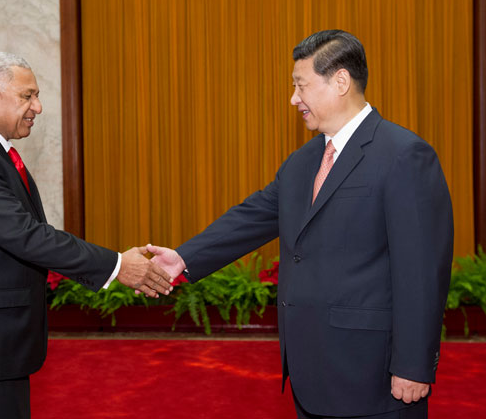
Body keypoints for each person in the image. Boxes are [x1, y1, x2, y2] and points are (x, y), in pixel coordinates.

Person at [147, 30, 453, 418]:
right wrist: (182, 258)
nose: (294, 99)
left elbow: (422, 271)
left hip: (374, 376)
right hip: (311, 373)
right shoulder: (303, 161)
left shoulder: (404, 155)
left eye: (300, 86)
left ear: (340, 81)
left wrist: (413, 365)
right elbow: (252, 217)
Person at [0, 52, 173, 419]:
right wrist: (116, 266)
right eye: (27, 96)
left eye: (37, 96)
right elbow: (25, 235)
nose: (38, 107)